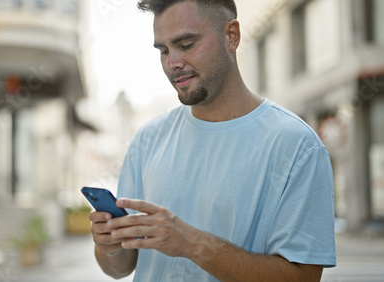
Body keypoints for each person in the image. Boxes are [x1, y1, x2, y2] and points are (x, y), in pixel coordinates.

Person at [89, 0, 336, 281]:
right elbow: (120, 268)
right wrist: (108, 247)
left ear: (231, 36)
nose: (173, 63)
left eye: (187, 44)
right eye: (164, 50)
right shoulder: (148, 139)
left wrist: (192, 244)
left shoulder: (297, 146)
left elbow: (303, 278)